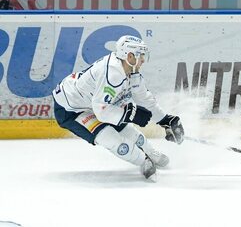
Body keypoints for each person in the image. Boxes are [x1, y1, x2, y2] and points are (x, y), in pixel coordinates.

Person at [52, 35, 185, 180]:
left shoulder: (130, 70)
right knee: (109, 137)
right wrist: (132, 115)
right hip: (72, 109)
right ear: (129, 56)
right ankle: (143, 160)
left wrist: (165, 120)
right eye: (140, 55)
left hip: (95, 102)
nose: (143, 60)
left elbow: (144, 97)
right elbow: (102, 112)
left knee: (130, 133)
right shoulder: (113, 74)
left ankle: (151, 152)